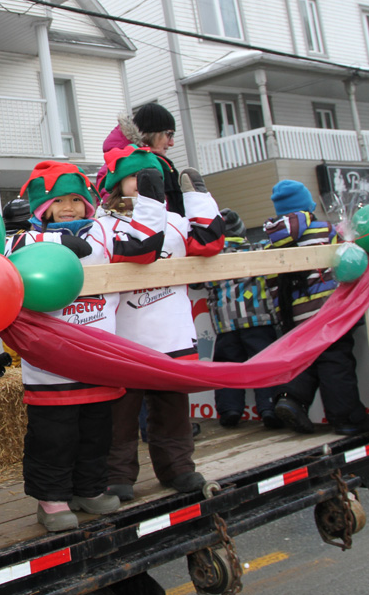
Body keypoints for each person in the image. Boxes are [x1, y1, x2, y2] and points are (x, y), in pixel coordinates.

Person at [9, 161, 165, 531]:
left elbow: (144, 248)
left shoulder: (103, 235)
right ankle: (51, 499)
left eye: (76, 200)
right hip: (51, 369)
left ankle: (89, 488)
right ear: (42, 207)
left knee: (97, 432)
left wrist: (151, 204)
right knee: (55, 437)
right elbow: (5, 255)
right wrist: (56, 242)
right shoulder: (25, 239)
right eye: (59, 200)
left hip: (97, 362)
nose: (69, 207)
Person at [101, 146, 223, 502]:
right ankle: (117, 476)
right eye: (135, 178)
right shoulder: (104, 224)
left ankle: (178, 468)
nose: (143, 184)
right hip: (124, 337)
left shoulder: (174, 221)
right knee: (120, 415)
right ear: (117, 184)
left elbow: (209, 242)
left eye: (151, 178)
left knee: (172, 410)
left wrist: (196, 198)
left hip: (170, 332)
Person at [265, 180, 369, 435]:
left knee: (306, 360)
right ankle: (346, 418)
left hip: (293, 318)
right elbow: (346, 262)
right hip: (326, 312)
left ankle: (290, 399)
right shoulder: (325, 231)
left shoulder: (270, 244)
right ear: (307, 206)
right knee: (336, 361)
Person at [195, 208, 282, 429]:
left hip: (226, 323)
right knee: (264, 364)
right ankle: (269, 407)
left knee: (228, 366)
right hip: (259, 319)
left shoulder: (209, 259)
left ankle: (230, 409)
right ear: (241, 230)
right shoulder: (256, 249)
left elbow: (195, 283)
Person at [97, 103, 184, 215]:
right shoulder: (115, 165)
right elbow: (113, 209)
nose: (172, 143)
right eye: (169, 135)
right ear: (152, 134)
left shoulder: (160, 163)